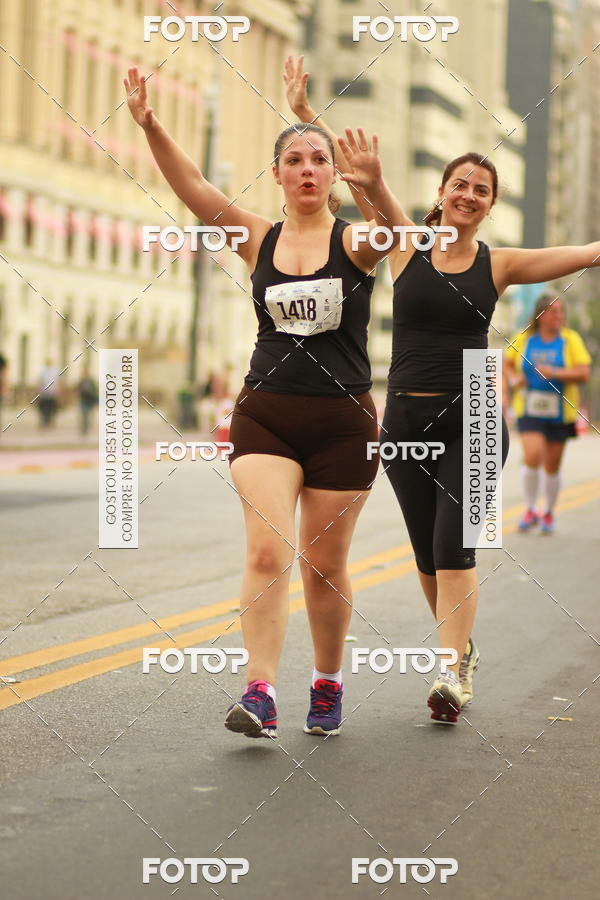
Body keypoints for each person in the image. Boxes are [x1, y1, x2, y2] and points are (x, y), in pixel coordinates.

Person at [286, 54, 600, 724]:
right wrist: (309, 117)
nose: (469, 194)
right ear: (441, 192)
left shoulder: (503, 262)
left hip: (478, 415)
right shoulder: (405, 244)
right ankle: (460, 649)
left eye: (481, 189)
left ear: (490, 205)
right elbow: (361, 179)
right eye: (461, 183)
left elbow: (589, 252)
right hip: (402, 419)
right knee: (429, 554)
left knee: (456, 546)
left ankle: (451, 674)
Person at [125, 66, 404, 738]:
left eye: (318, 161)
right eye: (294, 160)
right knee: (263, 554)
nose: (307, 170)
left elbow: (398, 235)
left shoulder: (355, 242)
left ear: (332, 175)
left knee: (325, 565)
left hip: (343, 425)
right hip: (266, 415)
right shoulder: (256, 237)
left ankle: (328, 683)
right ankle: (259, 691)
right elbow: (193, 190)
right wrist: (150, 124)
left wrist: (372, 179)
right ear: (276, 174)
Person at [504, 294, 591, 534]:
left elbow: (583, 373)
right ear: (541, 315)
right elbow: (507, 361)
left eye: (561, 311)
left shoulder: (570, 339)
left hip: (560, 412)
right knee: (533, 454)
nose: (559, 316)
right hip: (529, 409)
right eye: (554, 311)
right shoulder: (525, 338)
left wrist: (554, 372)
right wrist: (513, 379)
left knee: (552, 466)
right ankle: (530, 509)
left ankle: (549, 512)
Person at [37, 358, 60, 428]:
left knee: (52, 408)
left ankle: (50, 421)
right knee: (44, 408)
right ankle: (45, 421)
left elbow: (58, 382)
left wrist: (59, 393)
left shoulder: (55, 371)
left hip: (53, 392)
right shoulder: (43, 371)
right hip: (44, 393)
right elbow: (40, 383)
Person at [78, 368, 98, 436]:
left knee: (88, 414)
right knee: (84, 414)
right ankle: (84, 429)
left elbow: (95, 390)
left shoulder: (91, 381)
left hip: (89, 400)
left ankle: (87, 426)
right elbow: (78, 389)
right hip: (83, 400)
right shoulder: (81, 381)